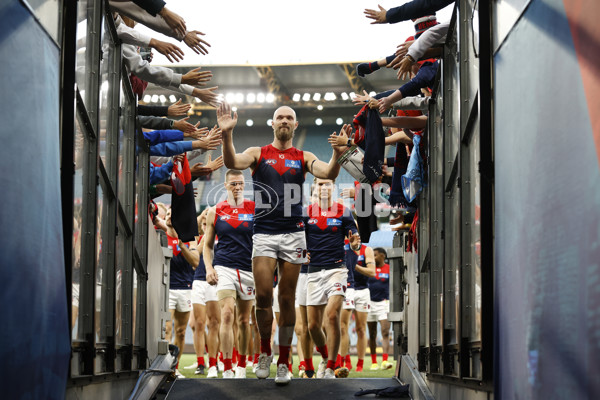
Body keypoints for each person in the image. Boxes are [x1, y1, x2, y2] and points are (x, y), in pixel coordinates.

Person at [217, 101, 351, 385]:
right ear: (273, 123)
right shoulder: (258, 153)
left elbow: (328, 173)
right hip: (264, 232)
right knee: (264, 296)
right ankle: (264, 352)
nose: (284, 121)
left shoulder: (303, 156)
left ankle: (283, 361)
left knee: (287, 298)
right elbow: (232, 163)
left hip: (294, 233)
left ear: (295, 125)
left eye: (289, 117)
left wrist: (338, 154)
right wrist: (227, 135)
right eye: (280, 117)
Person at [304, 178, 360, 379]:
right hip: (313, 272)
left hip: (337, 269)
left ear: (333, 187)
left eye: (328, 183)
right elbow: (297, 241)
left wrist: (354, 244)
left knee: (332, 315)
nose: (324, 187)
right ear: (315, 188)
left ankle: (330, 367)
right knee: (312, 326)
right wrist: (300, 253)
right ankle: (326, 356)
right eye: (320, 184)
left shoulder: (343, 211)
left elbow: (355, 242)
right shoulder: (306, 212)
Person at [204, 170, 256, 379]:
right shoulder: (215, 211)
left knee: (244, 321)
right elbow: (207, 246)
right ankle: (226, 367)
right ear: (225, 186)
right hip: (224, 267)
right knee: (226, 314)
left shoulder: (254, 209)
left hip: (248, 269)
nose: (238, 187)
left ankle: (242, 365)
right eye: (233, 184)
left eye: (241, 184)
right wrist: (209, 268)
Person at [163, 208, 196, 378]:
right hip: (166, 288)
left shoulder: (189, 239)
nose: (169, 216)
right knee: (167, 329)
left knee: (181, 331)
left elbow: (196, 262)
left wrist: (182, 246)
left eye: (172, 214)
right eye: (167, 214)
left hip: (185, 289)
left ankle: (175, 367)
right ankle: (165, 367)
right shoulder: (159, 237)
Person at [346, 240, 376, 372]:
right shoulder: (340, 246)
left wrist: (354, 265)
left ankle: (360, 363)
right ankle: (346, 361)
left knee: (361, 329)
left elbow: (372, 272)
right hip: (346, 289)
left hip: (362, 291)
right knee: (343, 328)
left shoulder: (366, 250)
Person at [367, 248, 393, 370]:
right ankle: (373, 362)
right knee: (372, 334)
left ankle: (385, 361)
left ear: (382, 256)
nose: (373, 257)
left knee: (385, 331)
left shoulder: (389, 269)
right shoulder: (369, 268)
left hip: (384, 303)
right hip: (370, 303)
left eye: (375, 255)